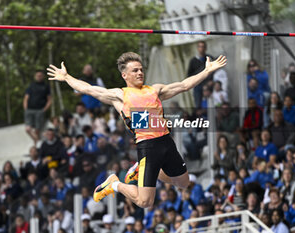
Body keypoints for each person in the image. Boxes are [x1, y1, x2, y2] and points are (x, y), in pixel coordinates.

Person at [47, 52, 227, 208]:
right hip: (148, 147)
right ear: (125, 75)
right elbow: (88, 89)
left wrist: (207, 71)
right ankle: (115, 184)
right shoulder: (120, 95)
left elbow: (184, 85)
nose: (140, 72)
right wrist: (67, 77)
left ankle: (140, 171)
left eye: (141, 69)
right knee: (145, 201)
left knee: (183, 183)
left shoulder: (154, 90)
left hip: (166, 142)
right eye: (135, 70)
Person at [23, 70, 52, 145]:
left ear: (43, 76)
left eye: (40, 75)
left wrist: (44, 109)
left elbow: (49, 99)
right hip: (30, 109)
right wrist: (26, 108)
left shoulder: (46, 86)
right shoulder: (31, 85)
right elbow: (26, 98)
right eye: (37, 76)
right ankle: (39, 143)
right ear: (35, 76)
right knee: (28, 129)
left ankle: (36, 146)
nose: (39, 77)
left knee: (37, 130)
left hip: (40, 110)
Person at [187, 41, 214, 108]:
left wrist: (211, 82)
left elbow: (214, 71)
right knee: (198, 105)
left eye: (203, 47)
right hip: (198, 85)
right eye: (200, 46)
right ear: (197, 48)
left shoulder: (209, 58)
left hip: (209, 85)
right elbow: (189, 75)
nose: (201, 48)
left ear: (205, 48)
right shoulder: (193, 61)